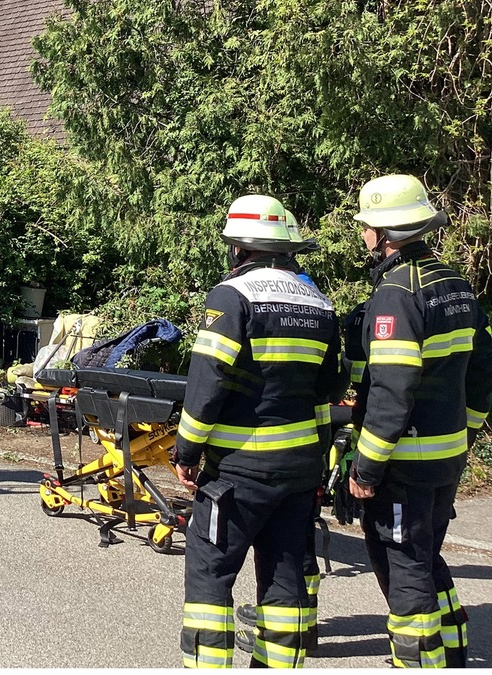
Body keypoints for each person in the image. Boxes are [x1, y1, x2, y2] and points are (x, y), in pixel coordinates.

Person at [176, 195, 340, 668]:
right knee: (285, 581)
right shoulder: (318, 301)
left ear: (239, 248)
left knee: (210, 574)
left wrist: (186, 451)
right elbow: (330, 387)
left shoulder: (231, 296)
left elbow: (207, 383)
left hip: (237, 473)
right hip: (299, 471)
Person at [346, 174, 492, 668]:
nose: (363, 234)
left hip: (403, 462)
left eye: (366, 226)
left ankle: (416, 661)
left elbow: (392, 390)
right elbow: (484, 370)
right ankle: (452, 651)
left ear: (384, 234)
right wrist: (466, 432)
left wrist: (366, 468)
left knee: (403, 563)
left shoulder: (396, 293)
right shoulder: (454, 283)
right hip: (448, 456)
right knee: (426, 554)